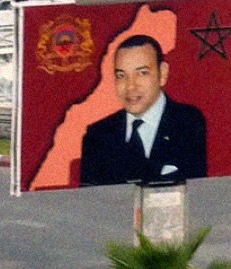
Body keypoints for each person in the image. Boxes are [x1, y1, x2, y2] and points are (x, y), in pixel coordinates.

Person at [76, 35, 209, 186]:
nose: (130, 86)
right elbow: (91, 201)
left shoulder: (190, 124)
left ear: (163, 73)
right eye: (121, 75)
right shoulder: (98, 136)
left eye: (142, 73)